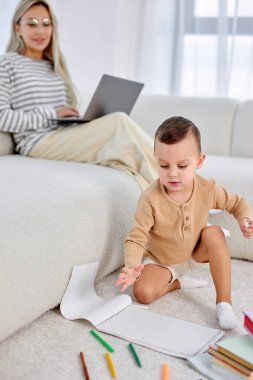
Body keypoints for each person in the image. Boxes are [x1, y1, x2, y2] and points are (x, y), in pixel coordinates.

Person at [0, 0, 157, 190]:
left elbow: (61, 114)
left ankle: (172, 202)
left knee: (125, 157)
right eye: (32, 23)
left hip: (63, 133)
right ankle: (181, 174)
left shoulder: (55, 66)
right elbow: (3, 118)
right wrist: (52, 114)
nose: (40, 31)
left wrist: (76, 120)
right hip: (36, 142)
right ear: (17, 28)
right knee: (118, 121)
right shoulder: (6, 64)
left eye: (46, 23)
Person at [115, 116, 253, 330]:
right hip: (162, 261)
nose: (172, 173)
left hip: (196, 253)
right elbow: (136, 237)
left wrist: (245, 219)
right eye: (163, 165)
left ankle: (224, 303)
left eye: (181, 165)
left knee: (214, 233)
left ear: (198, 162)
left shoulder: (207, 188)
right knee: (142, 293)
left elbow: (237, 203)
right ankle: (177, 282)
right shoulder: (150, 198)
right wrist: (132, 266)